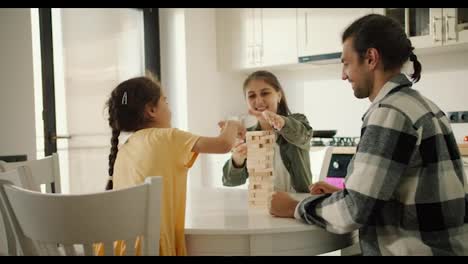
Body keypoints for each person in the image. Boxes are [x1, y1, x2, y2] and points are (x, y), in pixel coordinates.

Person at [270, 14, 468, 256]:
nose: (343, 75)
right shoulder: (426, 106)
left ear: (371, 58)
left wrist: (294, 207)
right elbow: (407, 200)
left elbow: (352, 213)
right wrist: (346, 195)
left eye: (346, 63)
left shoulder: (389, 113)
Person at [95, 74, 245, 256]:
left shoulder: (125, 149)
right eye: (165, 101)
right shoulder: (167, 137)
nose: (169, 108)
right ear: (151, 110)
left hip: (118, 248)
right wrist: (233, 124)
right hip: (152, 248)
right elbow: (223, 145)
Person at [222, 70, 313, 193]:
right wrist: (237, 160)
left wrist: (280, 122)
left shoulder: (298, 121)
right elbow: (230, 181)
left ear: (279, 95)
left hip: (297, 203)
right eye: (252, 96)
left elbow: (302, 136)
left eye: (265, 93)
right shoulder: (248, 136)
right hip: (262, 205)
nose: (259, 101)